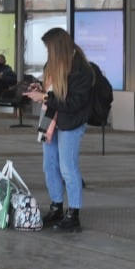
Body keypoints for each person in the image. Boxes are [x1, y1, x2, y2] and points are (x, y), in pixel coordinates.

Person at [23, 27, 93, 232]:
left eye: (48, 48)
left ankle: (74, 213)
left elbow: (73, 103)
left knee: (68, 168)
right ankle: (56, 207)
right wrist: (40, 88)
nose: (47, 53)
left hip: (71, 122)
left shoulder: (81, 69)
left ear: (58, 47)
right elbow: (52, 91)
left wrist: (44, 97)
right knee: (49, 165)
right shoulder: (52, 64)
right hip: (50, 120)